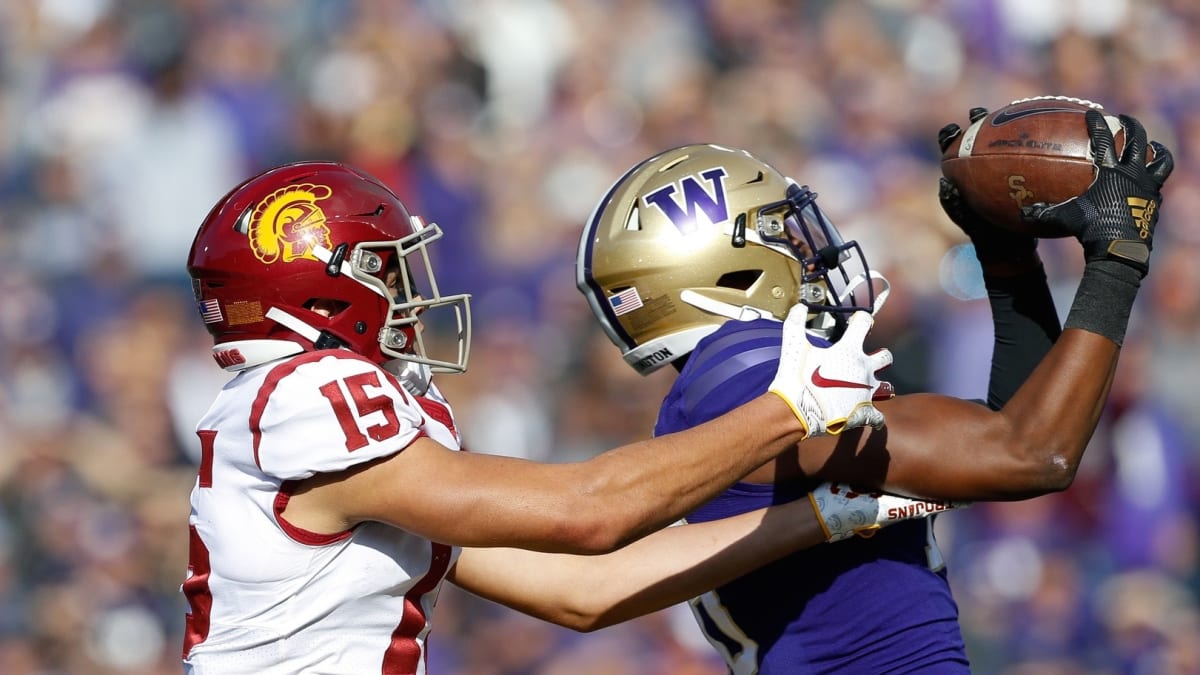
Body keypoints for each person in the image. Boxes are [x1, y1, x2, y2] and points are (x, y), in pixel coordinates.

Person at [181, 160, 948, 674]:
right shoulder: (304, 391)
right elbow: (586, 514)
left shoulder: (311, 426)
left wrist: (830, 515)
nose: (411, 293)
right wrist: (790, 407)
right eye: (386, 268)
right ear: (319, 291)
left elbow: (583, 589)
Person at [575, 108, 1173, 672]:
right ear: (726, 271)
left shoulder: (719, 387)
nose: (811, 250)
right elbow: (1033, 454)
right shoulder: (744, 381)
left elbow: (1007, 432)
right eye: (782, 234)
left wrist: (1007, 258)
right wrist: (1118, 255)